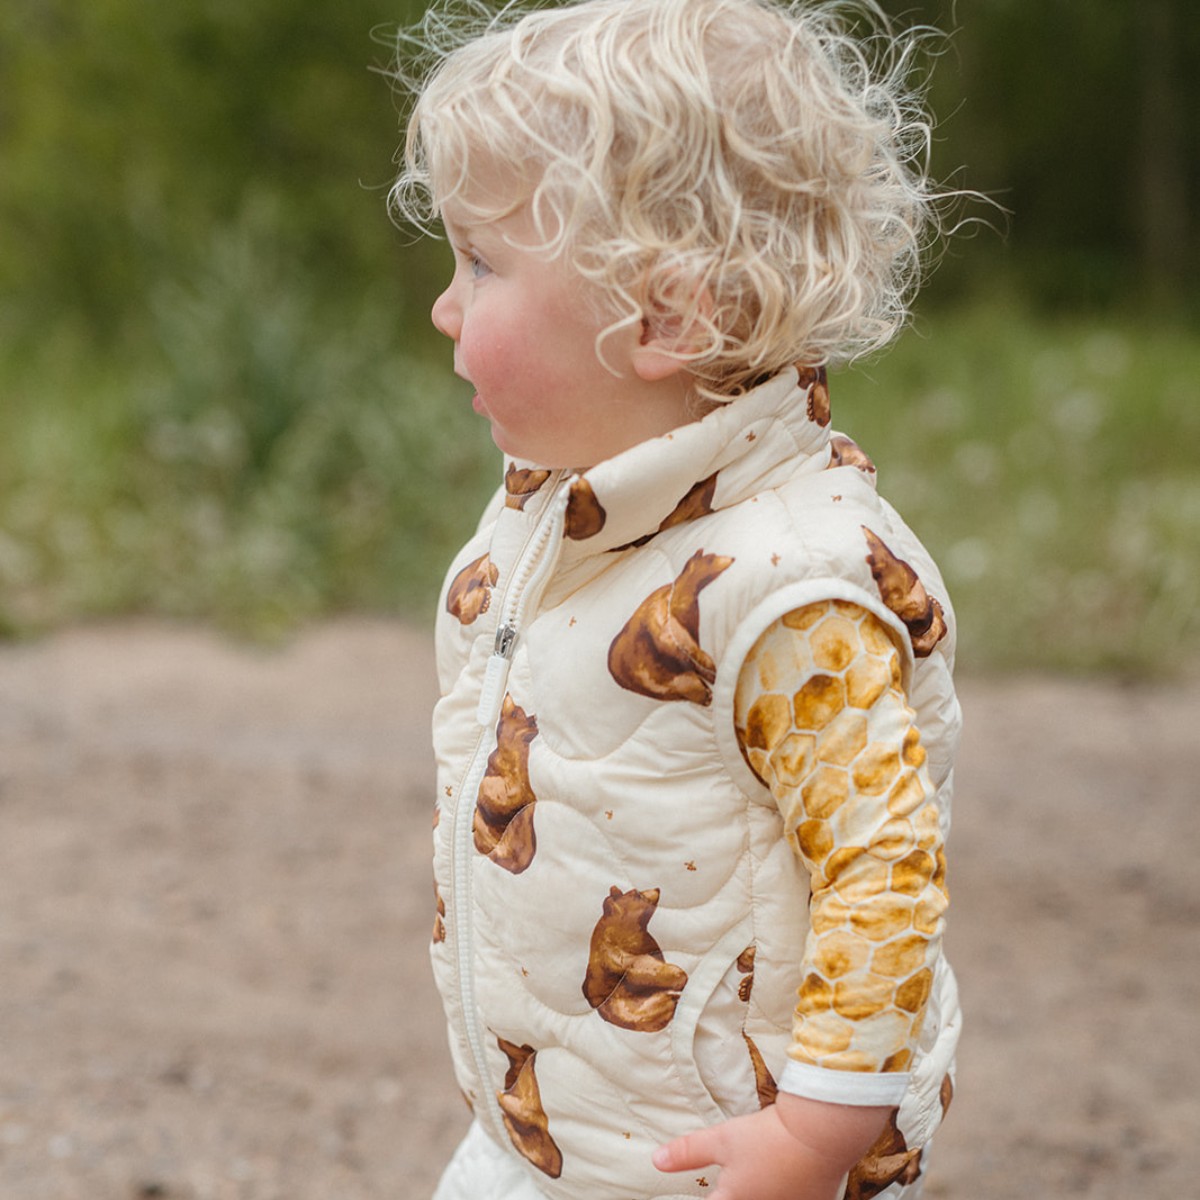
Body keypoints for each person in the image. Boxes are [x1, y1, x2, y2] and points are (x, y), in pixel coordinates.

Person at [390, 1, 963, 1196]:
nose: (446, 306)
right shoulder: (572, 515)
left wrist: (814, 1135)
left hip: (717, 1158)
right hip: (557, 1132)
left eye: (483, 262)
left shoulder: (792, 586)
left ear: (664, 315)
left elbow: (882, 867)